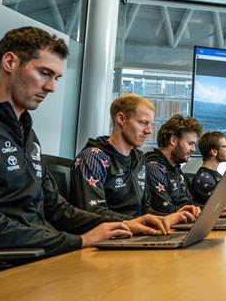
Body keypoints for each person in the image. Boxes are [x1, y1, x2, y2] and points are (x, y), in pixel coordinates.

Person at [0, 27, 166, 259]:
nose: (51, 87)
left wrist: (127, 224)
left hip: (37, 255)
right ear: (10, 62)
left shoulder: (27, 134)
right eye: (44, 73)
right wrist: (80, 241)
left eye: (56, 78)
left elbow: (57, 209)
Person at [71, 94, 195, 227]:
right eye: (143, 123)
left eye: (150, 124)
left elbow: (144, 210)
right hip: (108, 237)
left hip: (134, 232)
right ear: (121, 119)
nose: (149, 131)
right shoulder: (93, 157)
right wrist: (138, 223)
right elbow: (93, 212)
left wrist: (174, 216)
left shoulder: (139, 159)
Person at [146, 114, 203, 216]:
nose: (193, 149)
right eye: (190, 143)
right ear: (173, 140)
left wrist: (219, 208)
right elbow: (165, 208)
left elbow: (189, 204)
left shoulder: (176, 169)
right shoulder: (153, 167)